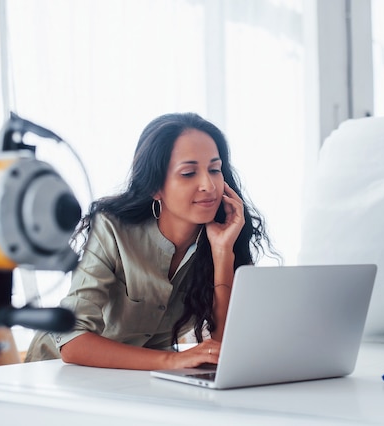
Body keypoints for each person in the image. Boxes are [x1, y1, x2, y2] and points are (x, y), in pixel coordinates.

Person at [25, 112, 277, 370]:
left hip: (137, 381)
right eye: (189, 173)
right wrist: (174, 360)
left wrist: (223, 252)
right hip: (55, 373)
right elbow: (73, 342)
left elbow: (223, 349)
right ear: (155, 186)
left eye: (215, 169)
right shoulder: (111, 228)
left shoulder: (217, 239)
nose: (209, 186)